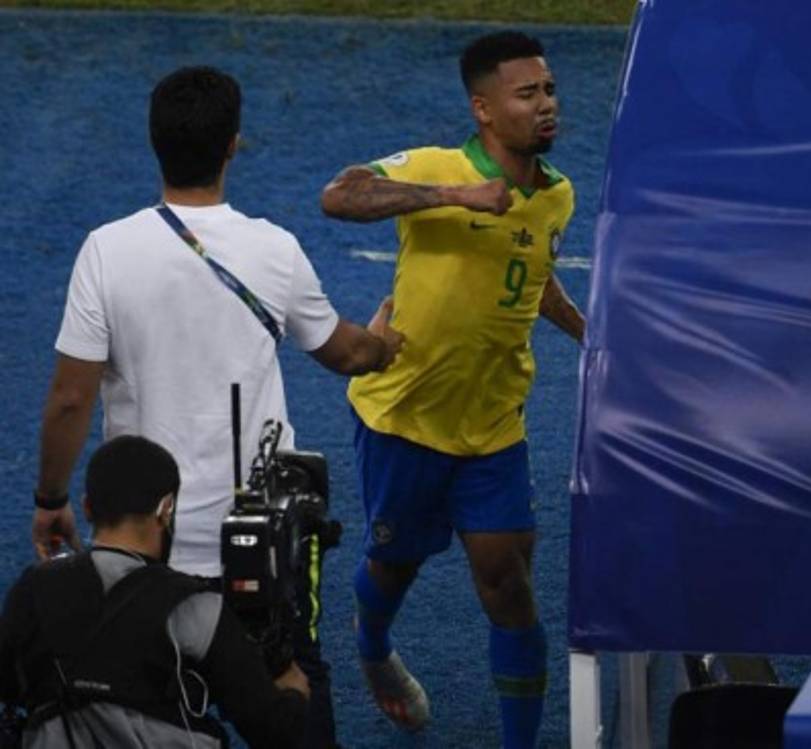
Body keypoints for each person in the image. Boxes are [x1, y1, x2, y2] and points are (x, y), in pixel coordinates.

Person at [32, 65, 402, 749]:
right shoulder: (275, 250)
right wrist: (384, 346)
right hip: (257, 546)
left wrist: (51, 496)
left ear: (154, 142)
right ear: (233, 145)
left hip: (144, 551)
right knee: (296, 686)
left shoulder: (105, 252)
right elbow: (345, 352)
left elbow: (69, 398)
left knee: (150, 701)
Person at [319, 30, 585, 748]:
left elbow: (531, 273)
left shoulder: (556, 194)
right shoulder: (440, 165)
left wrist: (587, 330)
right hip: (404, 421)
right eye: (527, 94)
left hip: (495, 424)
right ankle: (372, 645)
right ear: (484, 109)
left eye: (550, 90)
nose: (547, 105)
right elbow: (338, 196)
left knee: (507, 581)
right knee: (393, 567)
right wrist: (451, 196)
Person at [1, 435, 310, 748]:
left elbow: (9, 687)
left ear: (88, 508)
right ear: (166, 509)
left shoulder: (32, 589)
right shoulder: (195, 607)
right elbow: (274, 730)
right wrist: (293, 691)